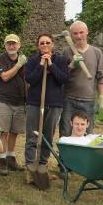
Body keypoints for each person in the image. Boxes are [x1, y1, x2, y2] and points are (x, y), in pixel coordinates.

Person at [24, 33, 69, 186]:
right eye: (41, 43)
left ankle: (42, 164)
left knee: (47, 136)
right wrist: (41, 66)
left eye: (47, 42)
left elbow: (63, 79)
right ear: (38, 46)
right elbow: (30, 79)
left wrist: (50, 65)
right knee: (32, 135)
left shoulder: (61, 60)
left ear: (52, 44)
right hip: (35, 103)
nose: (44, 45)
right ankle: (30, 166)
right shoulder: (32, 61)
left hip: (54, 103)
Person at [59, 20, 103, 137]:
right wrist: (71, 66)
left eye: (81, 32)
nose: (79, 36)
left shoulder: (96, 52)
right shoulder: (66, 52)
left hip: (88, 100)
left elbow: (101, 76)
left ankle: (83, 155)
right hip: (68, 99)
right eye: (75, 33)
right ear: (71, 35)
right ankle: (65, 155)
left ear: (87, 32)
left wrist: (101, 96)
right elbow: (60, 75)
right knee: (65, 132)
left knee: (87, 134)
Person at [0, 34, 28, 175]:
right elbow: (5, 77)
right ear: (5, 45)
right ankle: (2, 160)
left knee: (14, 132)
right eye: (9, 44)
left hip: (21, 101)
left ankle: (11, 157)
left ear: (19, 45)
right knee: (3, 131)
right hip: (3, 100)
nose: (12, 46)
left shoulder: (26, 59)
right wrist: (19, 64)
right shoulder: (0, 58)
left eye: (14, 44)